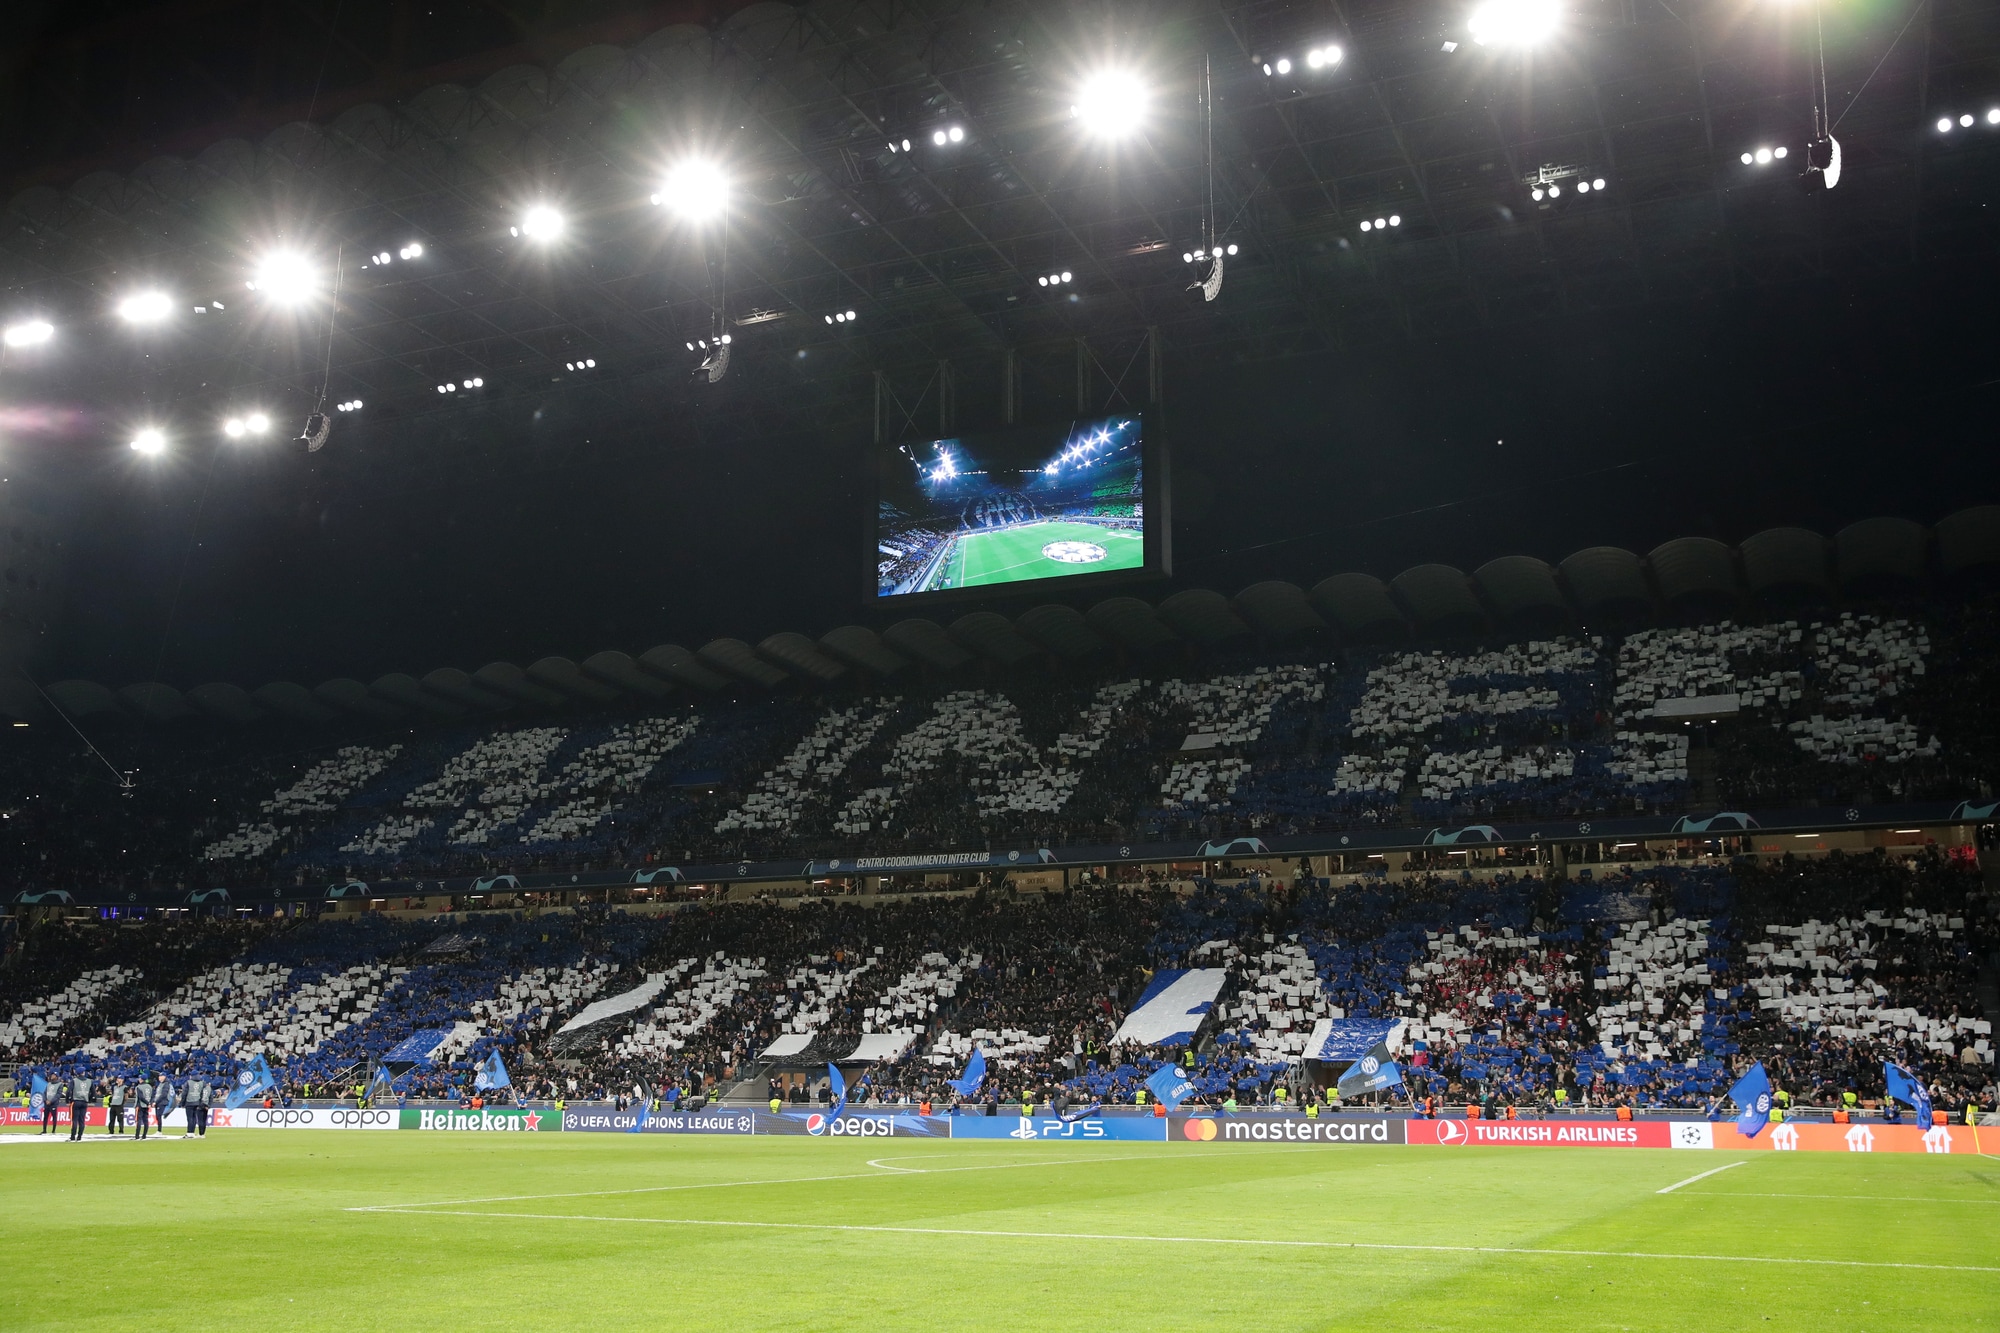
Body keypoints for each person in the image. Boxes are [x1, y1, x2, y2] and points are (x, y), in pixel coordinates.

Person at [68, 1072, 92, 1141]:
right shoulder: (89, 1081)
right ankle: (79, 1136)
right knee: (82, 1120)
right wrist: (89, 1099)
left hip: (76, 1101)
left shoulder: (74, 1081)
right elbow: (93, 1092)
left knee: (74, 1119)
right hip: (84, 1102)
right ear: (84, 1073)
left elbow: (69, 1091)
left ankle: (73, 1136)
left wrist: (68, 1100)